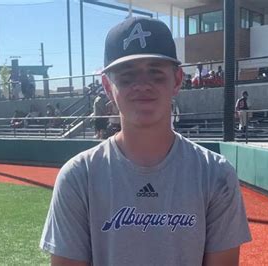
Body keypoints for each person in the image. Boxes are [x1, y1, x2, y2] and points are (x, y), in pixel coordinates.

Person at [40, 17, 251, 266]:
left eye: (156, 73)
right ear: (108, 86)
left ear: (177, 80)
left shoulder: (216, 174)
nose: (142, 85)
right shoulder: (78, 176)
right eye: (127, 76)